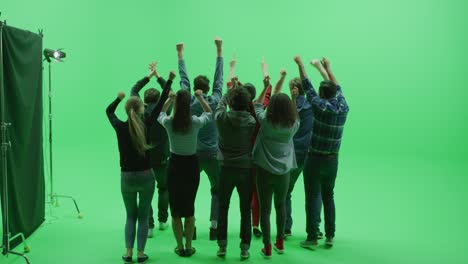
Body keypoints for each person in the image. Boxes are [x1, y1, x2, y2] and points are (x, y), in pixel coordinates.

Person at [106, 69, 173, 264]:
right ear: (142, 109)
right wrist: (167, 80)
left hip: (126, 178)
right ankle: (141, 253)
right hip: (146, 176)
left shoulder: (119, 126)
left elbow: (109, 112)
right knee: (143, 217)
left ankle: (128, 252)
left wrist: (118, 98)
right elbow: (161, 103)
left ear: (127, 110)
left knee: (130, 216)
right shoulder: (149, 123)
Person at [294, 56, 349, 248]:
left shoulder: (318, 106)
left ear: (321, 94)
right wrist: (326, 68)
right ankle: (330, 235)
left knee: (312, 196)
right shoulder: (343, 106)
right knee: (328, 195)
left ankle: (311, 238)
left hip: (314, 159)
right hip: (333, 161)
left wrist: (301, 65)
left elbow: (306, 85)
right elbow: (337, 86)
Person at [157, 86, 213, 257]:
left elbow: (160, 113)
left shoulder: (168, 123)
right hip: (191, 167)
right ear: (189, 104)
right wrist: (201, 98)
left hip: (174, 166)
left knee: (175, 209)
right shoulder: (195, 122)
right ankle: (189, 247)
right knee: (189, 209)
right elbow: (209, 114)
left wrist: (169, 100)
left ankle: (179, 247)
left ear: (176, 104)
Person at [176, 38, 223, 240]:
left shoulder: (188, 103)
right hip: (213, 154)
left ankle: (191, 228)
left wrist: (180, 55)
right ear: (208, 87)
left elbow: (183, 81)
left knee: (189, 191)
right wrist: (219, 50)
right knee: (217, 191)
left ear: (195, 88)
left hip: (193, 155)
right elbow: (219, 78)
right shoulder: (216, 100)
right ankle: (214, 227)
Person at [252, 82, 300, 258]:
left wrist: (265, 88)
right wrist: (294, 98)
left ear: (271, 106)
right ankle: (280, 242)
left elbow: (256, 105)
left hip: (264, 171)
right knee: (281, 206)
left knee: (265, 210)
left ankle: (267, 246)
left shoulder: (265, 122)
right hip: (283, 173)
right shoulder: (293, 126)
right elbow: (296, 116)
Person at [284, 59, 330, 239]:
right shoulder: (314, 103)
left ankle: (286, 227)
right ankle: (315, 228)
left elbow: (290, 121)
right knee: (314, 192)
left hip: (294, 154)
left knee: (286, 191)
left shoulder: (289, 105)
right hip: (312, 154)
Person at [129, 62, 170, 237]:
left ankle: (150, 226)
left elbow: (133, 90)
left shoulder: (139, 112)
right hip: (162, 158)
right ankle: (162, 221)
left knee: (146, 193)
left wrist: (149, 76)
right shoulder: (163, 111)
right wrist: (159, 75)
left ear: (143, 101)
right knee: (163, 188)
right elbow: (170, 92)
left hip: (144, 160)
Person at [215, 86, 256, 260]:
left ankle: (222, 246)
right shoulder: (251, 122)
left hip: (225, 169)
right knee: (245, 209)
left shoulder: (221, 118)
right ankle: (244, 248)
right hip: (245, 170)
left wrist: (229, 92)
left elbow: (219, 106)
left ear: (231, 102)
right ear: (247, 104)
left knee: (222, 207)